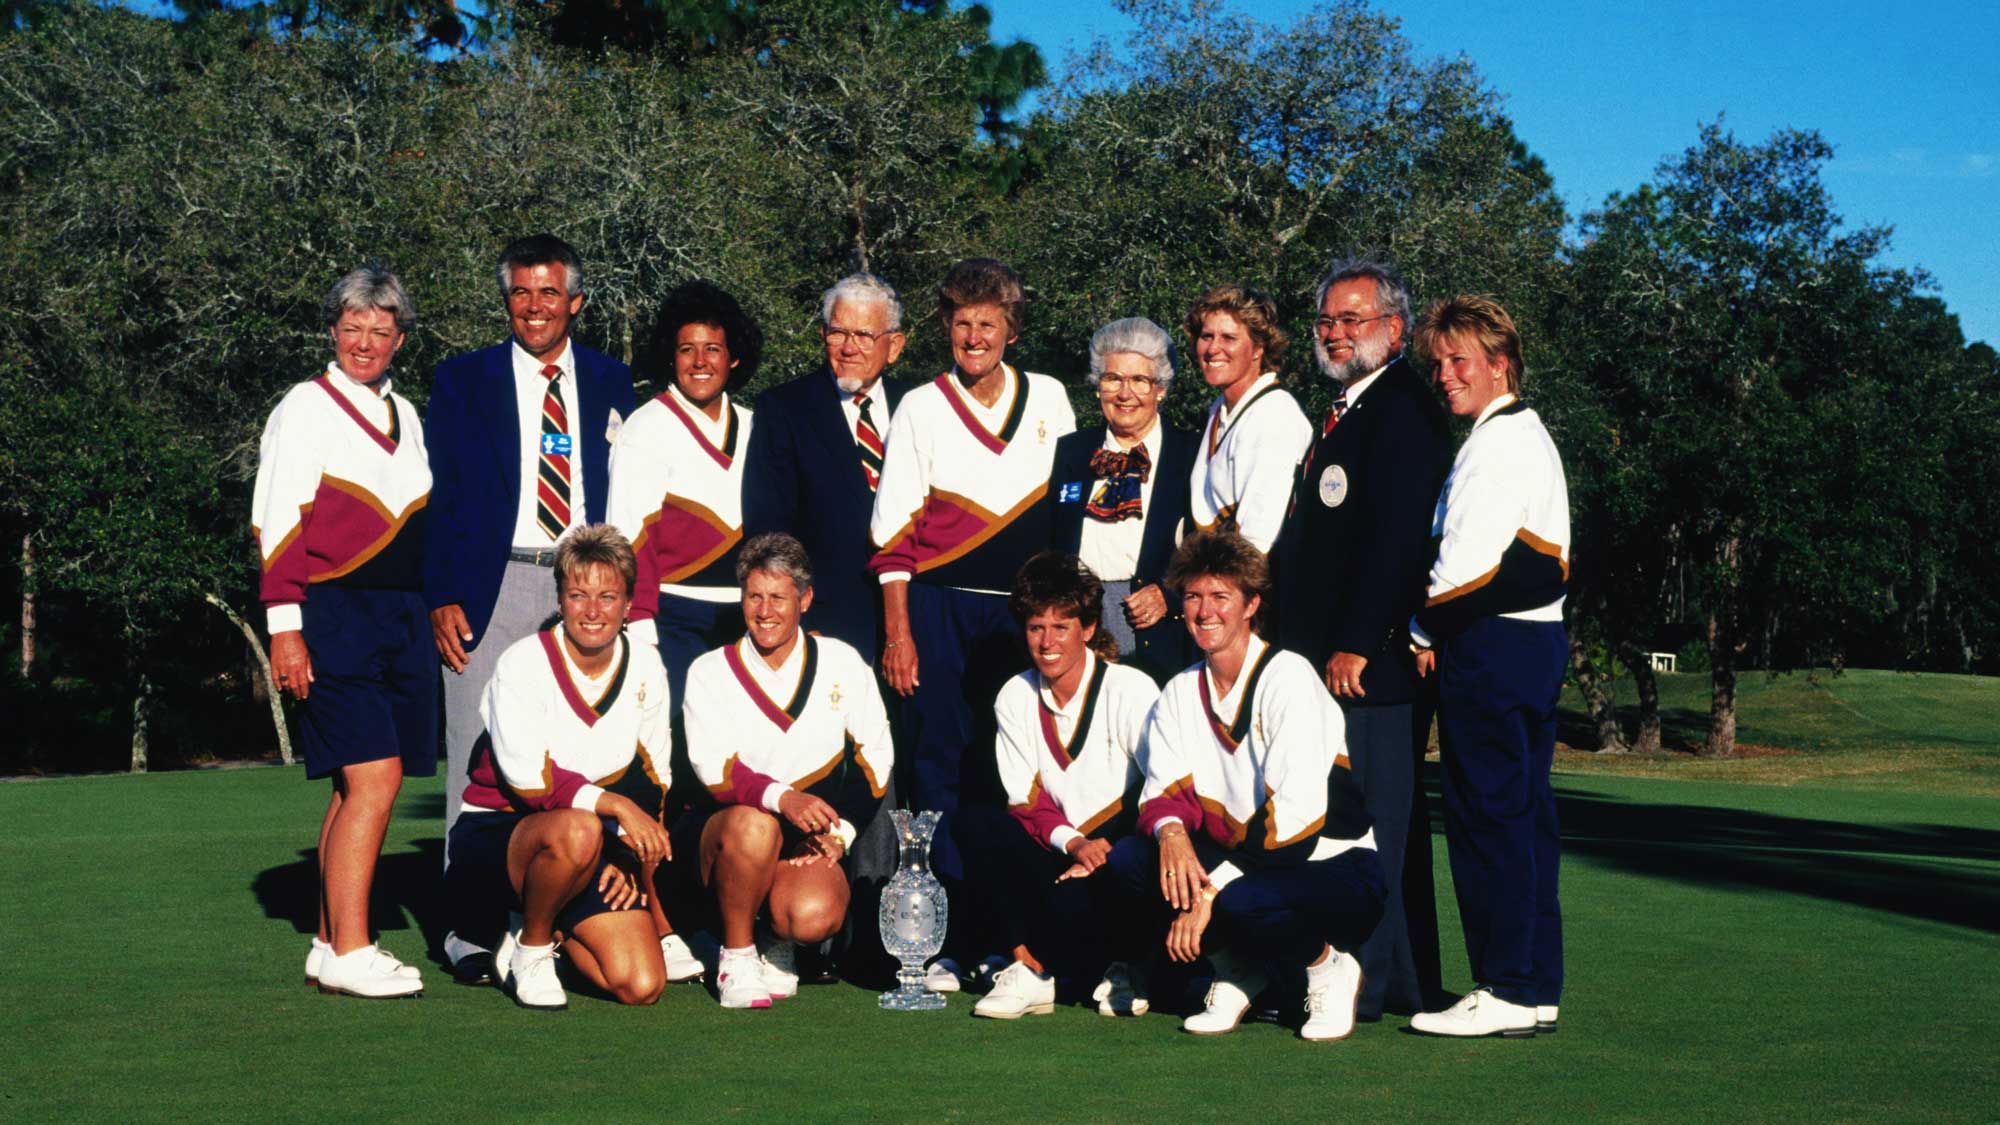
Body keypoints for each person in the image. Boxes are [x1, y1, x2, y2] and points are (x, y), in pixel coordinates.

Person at [424, 235, 635, 982]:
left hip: (581, 584)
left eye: (550, 292)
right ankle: (469, 927)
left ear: (576, 301)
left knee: (573, 748)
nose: (535, 306)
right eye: (521, 292)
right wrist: (443, 592)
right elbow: (439, 498)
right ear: (506, 299)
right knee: (476, 749)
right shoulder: (462, 380)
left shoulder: (613, 380)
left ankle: (547, 910)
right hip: (494, 583)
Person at [1100, 531, 1385, 1040]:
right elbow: (1161, 791)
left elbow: (1291, 825)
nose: (1204, 612)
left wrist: (1207, 892)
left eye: (1220, 597)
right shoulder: (1181, 690)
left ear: (1251, 604)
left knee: (1242, 899)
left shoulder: (1290, 678)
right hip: (1245, 865)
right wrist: (1172, 836)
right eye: (1192, 596)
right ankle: (1236, 967)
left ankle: (1327, 968)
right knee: (1131, 862)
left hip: (1333, 866)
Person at [867, 258, 1076, 951]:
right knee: (938, 765)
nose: (975, 336)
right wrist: (900, 633)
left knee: (1014, 764)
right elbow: (894, 536)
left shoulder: (1049, 397)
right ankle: (943, 934)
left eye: (988, 322)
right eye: (962, 323)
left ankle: (1016, 934)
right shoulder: (919, 406)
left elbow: (1069, 520)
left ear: (1011, 329)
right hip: (938, 607)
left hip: (1022, 614)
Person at [1273, 255, 1451, 1021]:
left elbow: (1397, 542)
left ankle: (1363, 982)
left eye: (1355, 320)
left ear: (1397, 330)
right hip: (1329, 658)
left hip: (1367, 666)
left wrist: (1361, 640)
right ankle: (1399, 983)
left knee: (1371, 826)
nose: (1338, 333)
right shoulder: (1346, 408)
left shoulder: (1404, 408)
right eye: (1328, 320)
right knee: (1380, 826)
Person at [255, 266, 434, 998]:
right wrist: (285, 627)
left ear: (399, 337)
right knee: (374, 777)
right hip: (332, 610)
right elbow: (277, 518)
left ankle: (331, 942)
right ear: (333, 331)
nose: (366, 342)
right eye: (353, 327)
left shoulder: (409, 412)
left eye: (380, 330)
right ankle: (356, 947)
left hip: (398, 612)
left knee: (352, 782)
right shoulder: (303, 406)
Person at [1405, 295, 1571, 1039]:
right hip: (1528, 645)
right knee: (1527, 815)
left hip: (1493, 647)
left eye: (1459, 360)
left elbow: (1461, 569)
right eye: (1438, 362)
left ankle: (1503, 984)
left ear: (1499, 364)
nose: (1445, 375)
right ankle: (1533, 984)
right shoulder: (1521, 434)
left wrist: (1417, 626)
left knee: (1487, 816)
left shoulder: (1499, 442)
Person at [450, 525, 673, 1011]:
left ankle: (549, 923)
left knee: (641, 984)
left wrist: (624, 856)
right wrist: (612, 808)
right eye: (578, 595)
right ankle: (530, 948)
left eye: (607, 596)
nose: (593, 611)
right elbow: (530, 782)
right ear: (561, 598)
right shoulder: (522, 663)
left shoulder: (647, 668)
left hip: (590, 839)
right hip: (500, 833)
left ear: (629, 603)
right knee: (577, 829)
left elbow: (655, 778)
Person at [681, 534, 895, 1009]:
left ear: (805, 599)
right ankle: (736, 953)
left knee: (811, 915)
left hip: (808, 834)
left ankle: (776, 938)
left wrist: (835, 835)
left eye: (778, 597)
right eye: (754, 596)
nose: (765, 610)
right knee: (754, 826)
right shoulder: (708, 671)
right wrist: (785, 800)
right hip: (730, 831)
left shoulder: (842, 662)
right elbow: (713, 770)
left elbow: (876, 758)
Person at [949, 553, 1159, 1019]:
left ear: (1087, 628)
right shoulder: (1014, 695)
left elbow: (1158, 793)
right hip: (1064, 850)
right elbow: (1023, 802)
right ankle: (1029, 964)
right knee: (974, 824)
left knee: (1127, 866)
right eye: (1035, 628)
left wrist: (1102, 849)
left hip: (1121, 855)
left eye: (1061, 627)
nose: (1047, 642)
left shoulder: (1132, 689)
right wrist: (1077, 843)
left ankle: (1125, 964)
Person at [742, 272, 916, 665]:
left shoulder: (921, 405)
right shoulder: (784, 409)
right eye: (838, 333)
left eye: (864, 335)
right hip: (827, 624)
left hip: (917, 624)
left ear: (894, 346)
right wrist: (800, 620)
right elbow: (768, 526)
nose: (849, 347)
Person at [607, 280, 761, 708]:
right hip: (674, 618)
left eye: (712, 348)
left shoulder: (755, 427)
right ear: (669, 356)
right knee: (679, 751)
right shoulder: (645, 427)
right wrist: (640, 625)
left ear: (733, 357)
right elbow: (628, 535)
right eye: (686, 349)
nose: (699, 362)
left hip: (750, 616)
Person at [1047, 318, 1198, 683]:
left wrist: (1169, 595)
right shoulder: (1071, 451)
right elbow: (1052, 545)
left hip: (1160, 630)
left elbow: (1211, 549)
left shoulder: (1191, 454)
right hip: (1081, 625)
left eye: (1140, 381)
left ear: (1160, 388)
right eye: (1113, 378)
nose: (1124, 393)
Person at [1184, 285, 1312, 554]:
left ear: (1258, 349)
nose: (1213, 348)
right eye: (1206, 336)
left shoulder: (1275, 415)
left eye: (1229, 338)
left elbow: (1258, 540)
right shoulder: (1222, 408)